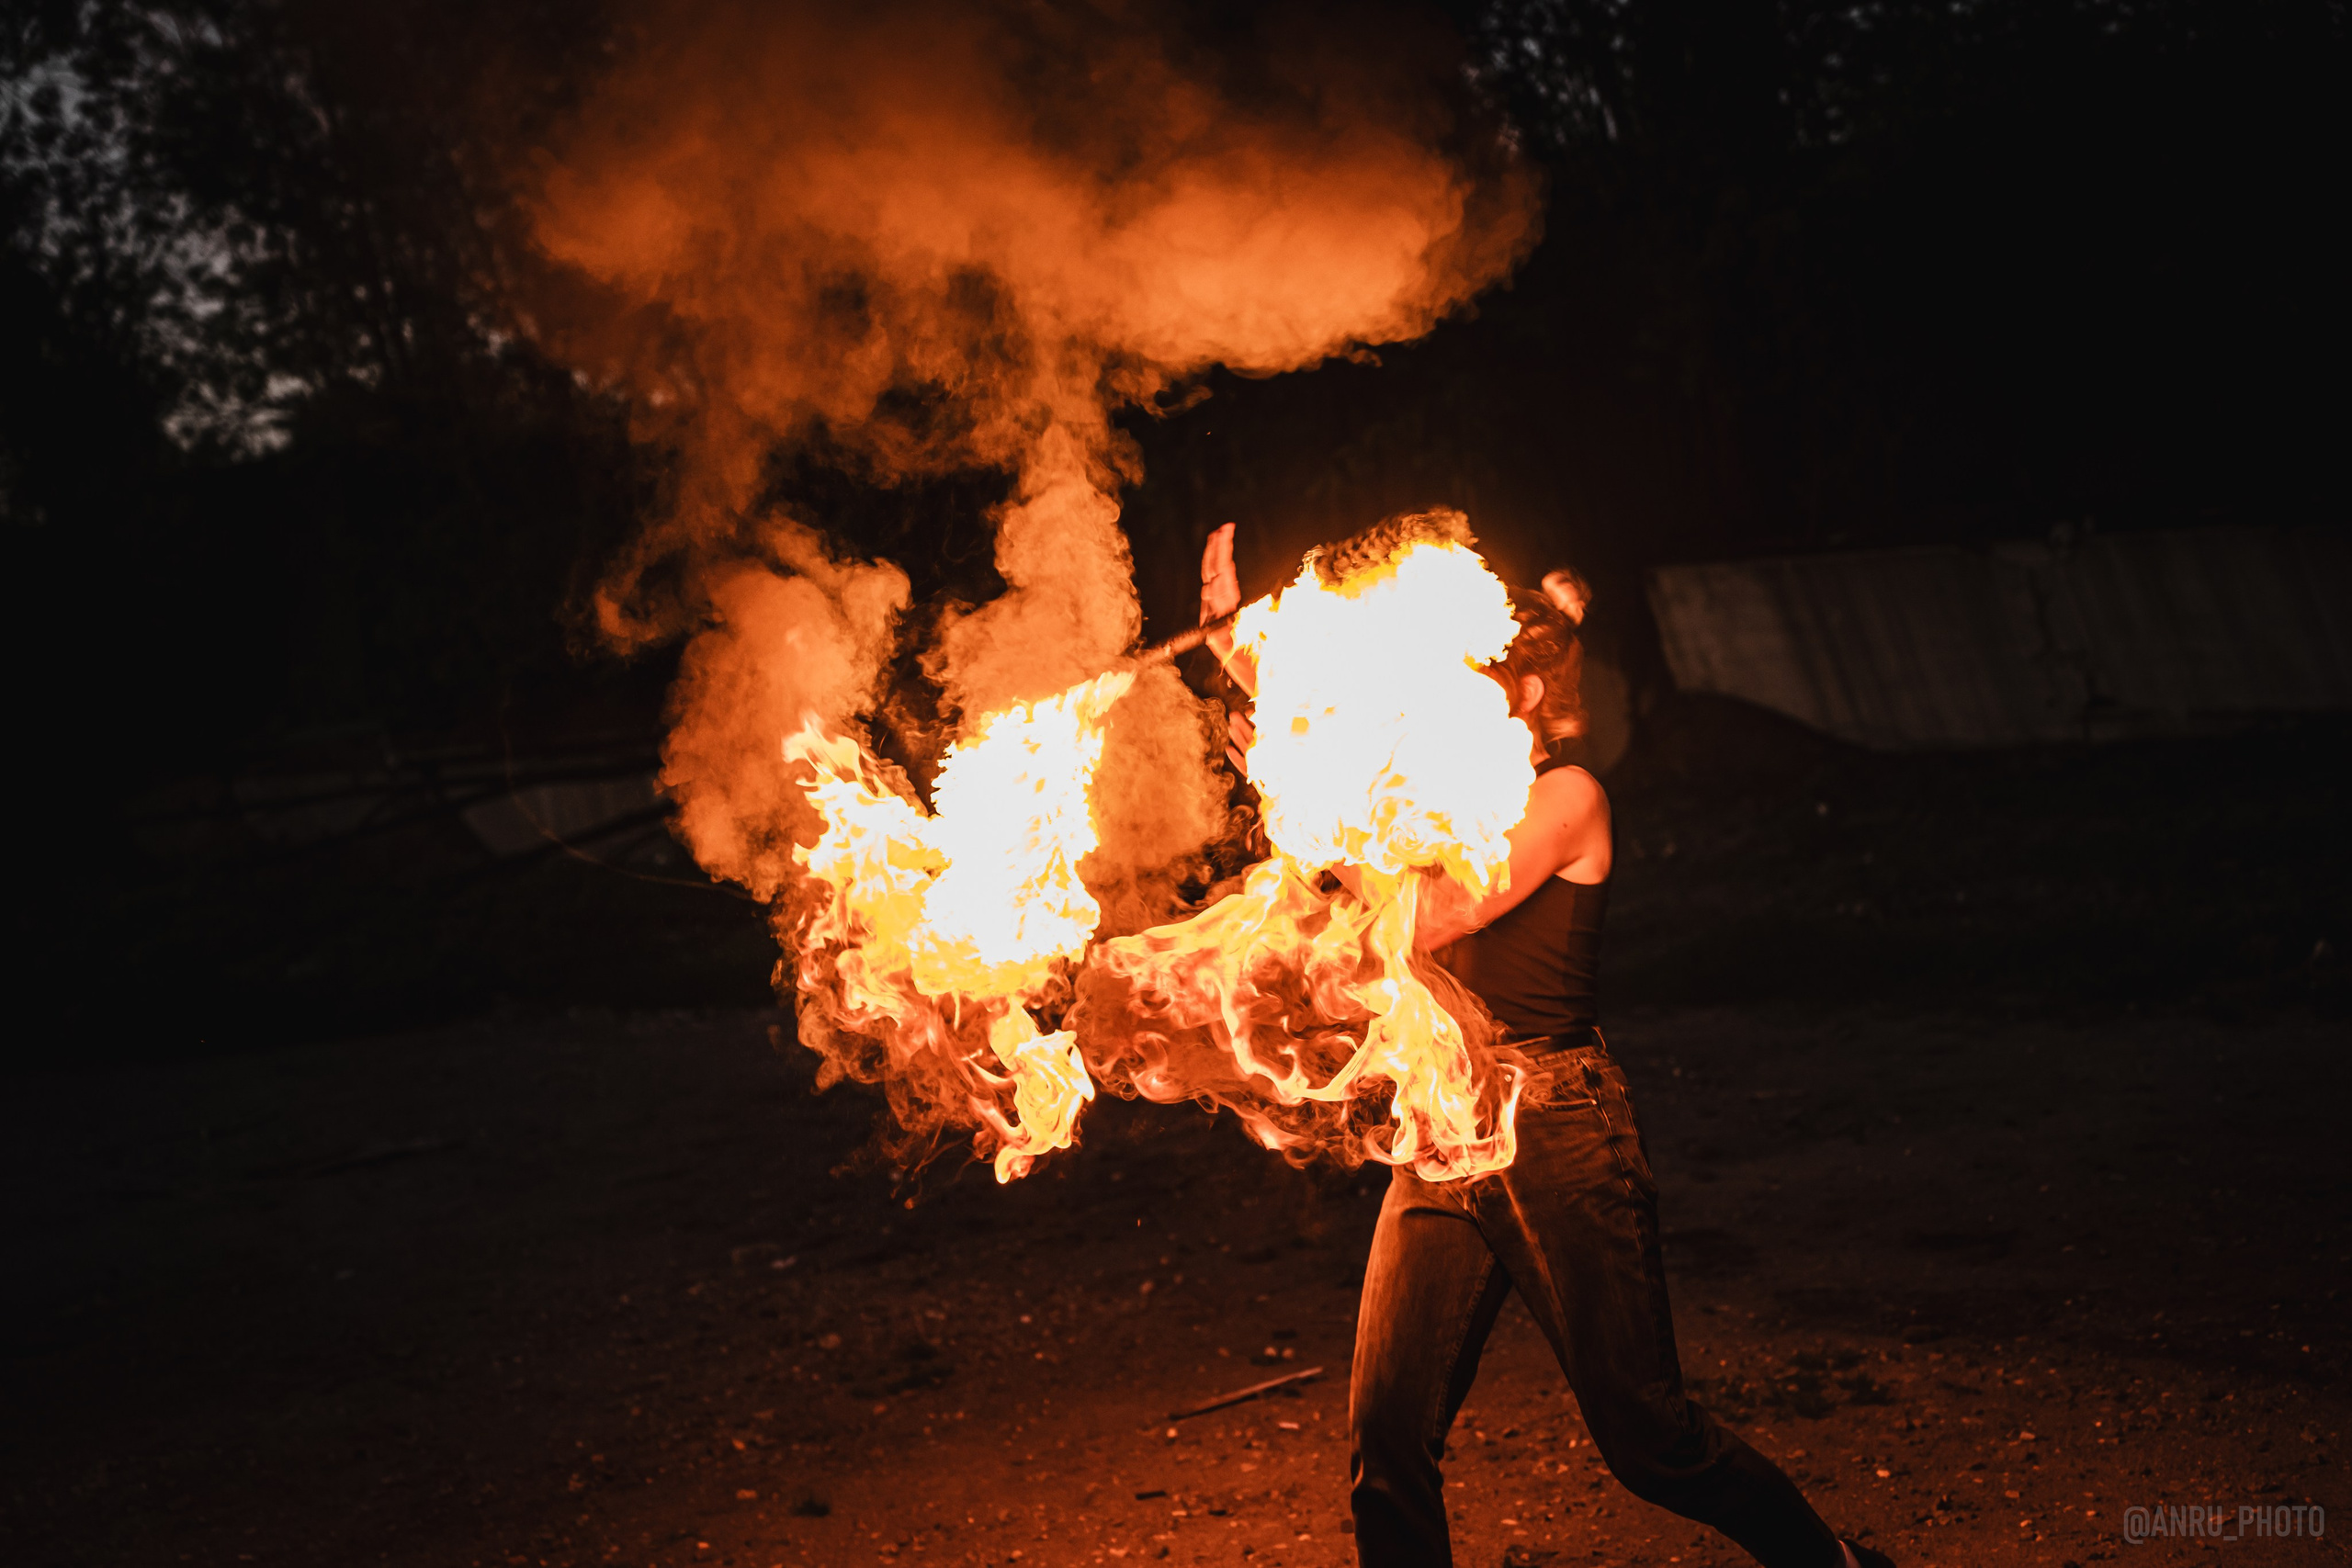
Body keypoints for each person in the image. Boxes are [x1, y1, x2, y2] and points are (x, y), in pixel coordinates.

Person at [1197, 521, 1893, 1568]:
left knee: (1649, 1440)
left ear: (1517, 697)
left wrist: (1304, 816)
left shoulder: (1568, 800)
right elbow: (1341, 783)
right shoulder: (1431, 806)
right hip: (1442, 1126)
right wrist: (1241, 658)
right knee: (1386, 1434)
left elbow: (1426, 920)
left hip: (1555, 1121)